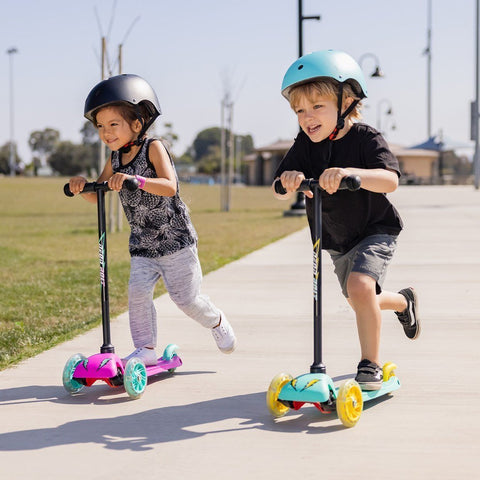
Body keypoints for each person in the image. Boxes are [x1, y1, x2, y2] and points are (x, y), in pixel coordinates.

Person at [273, 50, 419, 390]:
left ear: (347, 101)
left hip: (375, 230)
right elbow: (278, 187)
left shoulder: (366, 138)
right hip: (338, 239)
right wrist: (290, 179)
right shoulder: (305, 145)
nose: (307, 117)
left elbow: (390, 180)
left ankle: (370, 364)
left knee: (360, 288)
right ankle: (403, 301)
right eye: (299, 111)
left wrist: (351, 173)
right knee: (359, 299)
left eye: (316, 107)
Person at [69, 74, 236, 365]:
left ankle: (216, 321)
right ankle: (145, 349)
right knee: (137, 294)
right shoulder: (115, 159)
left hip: (175, 242)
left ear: (137, 123)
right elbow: (99, 193)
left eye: (113, 124)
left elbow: (170, 186)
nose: (106, 133)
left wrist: (137, 180)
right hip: (142, 245)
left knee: (186, 300)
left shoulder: (153, 148)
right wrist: (83, 186)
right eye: (100, 126)